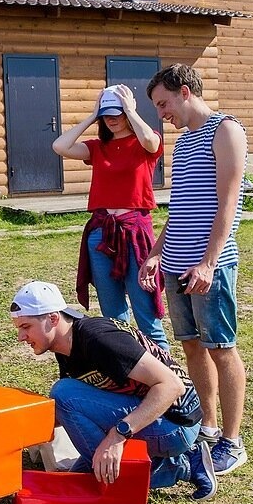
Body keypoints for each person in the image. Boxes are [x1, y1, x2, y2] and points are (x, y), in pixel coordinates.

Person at [139, 64, 249, 477]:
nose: (162, 113)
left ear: (185, 92)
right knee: (191, 346)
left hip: (209, 267)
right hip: (175, 265)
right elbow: (182, 210)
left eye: (164, 103)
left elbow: (228, 204)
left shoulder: (227, 130)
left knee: (221, 347)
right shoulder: (184, 142)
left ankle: (232, 443)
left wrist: (208, 261)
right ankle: (208, 425)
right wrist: (154, 251)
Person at [9, 281, 216, 500]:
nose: (21, 337)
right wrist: (18, 428)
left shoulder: (98, 339)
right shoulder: (65, 345)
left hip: (176, 423)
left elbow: (172, 386)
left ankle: (183, 464)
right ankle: (112, 470)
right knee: (81, 477)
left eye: (26, 327)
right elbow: (72, 413)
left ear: (53, 319)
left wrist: (117, 437)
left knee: (63, 395)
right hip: (148, 412)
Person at [53, 85, 168, 348]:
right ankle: (127, 368)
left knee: (146, 309)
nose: (111, 119)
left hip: (134, 233)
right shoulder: (98, 147)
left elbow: (151, 141)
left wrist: (130, 109)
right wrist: (92, 115)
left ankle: (167, 372)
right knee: (113, 314)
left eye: (116, 113)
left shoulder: (145, 143)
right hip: (101, 233)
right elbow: (59, 146)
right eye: (106, 114)